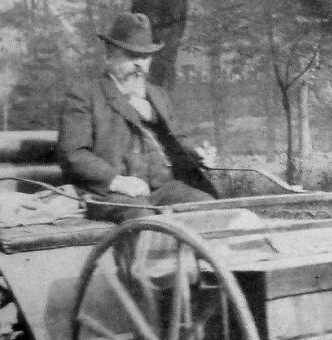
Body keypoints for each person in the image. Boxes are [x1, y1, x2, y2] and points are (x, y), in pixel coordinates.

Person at [57, 12, 217, 223]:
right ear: (110, 56)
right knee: (143, 217)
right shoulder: (85, 96)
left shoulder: (157, 95)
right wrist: (116, 181)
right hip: (109, 193)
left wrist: (197, 153)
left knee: (206, 205)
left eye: (145, 57)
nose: (140, 65)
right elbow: (73, 154)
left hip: (161, 190)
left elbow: (178, 138)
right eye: (132, 56)